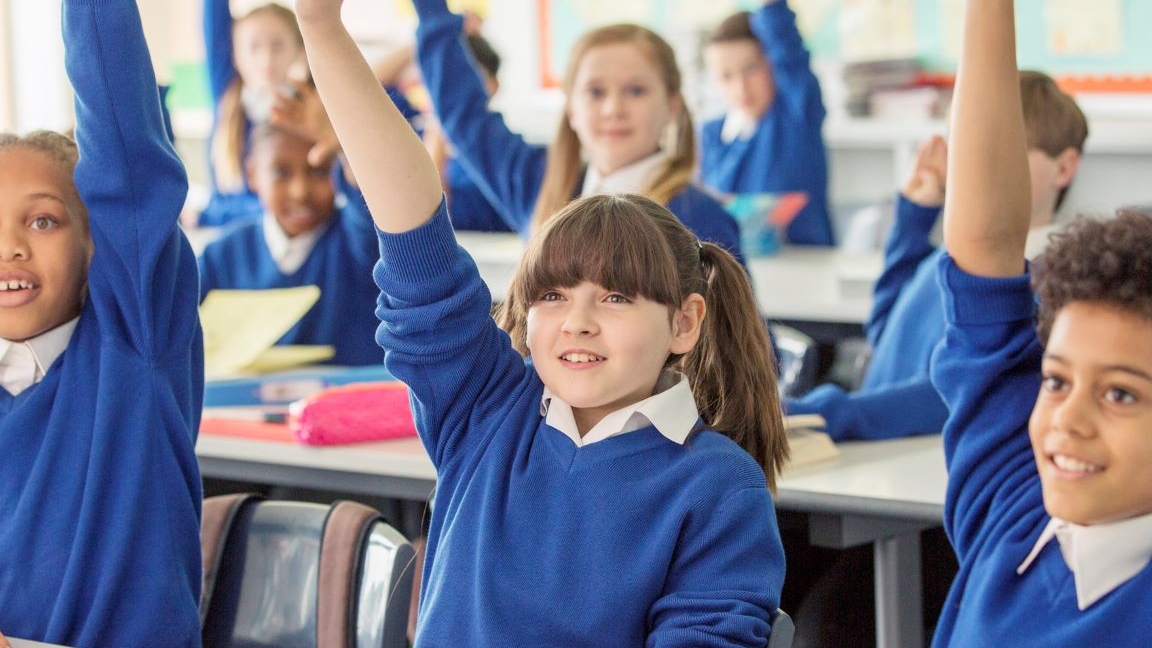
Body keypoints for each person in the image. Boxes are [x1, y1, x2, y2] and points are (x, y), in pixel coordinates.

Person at [294, 0, 788, 644]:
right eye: (552, 296)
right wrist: (319, 26)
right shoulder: (485, 411)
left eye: (616, 298)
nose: (577, 321)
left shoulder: (719, 484)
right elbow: (411, 216)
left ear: (685, 323)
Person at [931, 0, 1152, 644]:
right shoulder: (1013, 505)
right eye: (1055, 381)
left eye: (1121, 393)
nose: (1067, 421)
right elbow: (985, 252)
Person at [0, 0, 202, 645]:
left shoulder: (133, 345)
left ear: (99, 244)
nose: (10, 247)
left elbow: (129, 156)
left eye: (43, 221)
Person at [786, 70, 1088, 443]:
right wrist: (913, 221)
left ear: (1064, 167)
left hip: (915, 460)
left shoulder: (1045, 280)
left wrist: (830, 413)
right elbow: (886, 336)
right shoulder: (952, 253)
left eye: (1004, 151)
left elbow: (952, 393)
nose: (976, 167)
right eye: (966, 148)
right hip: (878, 451)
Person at [411, 0, 745, 264]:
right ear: (571, 108)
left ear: (672, 106)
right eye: (596, 92)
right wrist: (432, 10)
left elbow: (743, 344)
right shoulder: (540, 184)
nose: (613, 109)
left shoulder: (698, 218)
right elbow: (465, 116)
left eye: (636, 91)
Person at [198, 117, 382, 366]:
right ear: (252, 175)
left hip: (347, 400)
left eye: (318, 171)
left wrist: (346, 148)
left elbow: (371, 202)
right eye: (281, 173)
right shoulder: (220, 257)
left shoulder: (357, 242)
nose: (300, 191)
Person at [701, 0, 832, 246]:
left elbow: (790, 57)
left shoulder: (796, 119)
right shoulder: (711, 135)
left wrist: (773, 9)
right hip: (736, 274)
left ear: (772, 64)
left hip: (806, 266)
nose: (741, 87)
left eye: (751, 69)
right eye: (726, 76)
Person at [201, 0, 307, 226]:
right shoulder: (227, 99)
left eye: (277, 46)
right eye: (254, 47)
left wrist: (208, 216)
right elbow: (213, 17)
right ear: (235, 54)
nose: (266, 59)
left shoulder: (309, 111)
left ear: (298, 50)